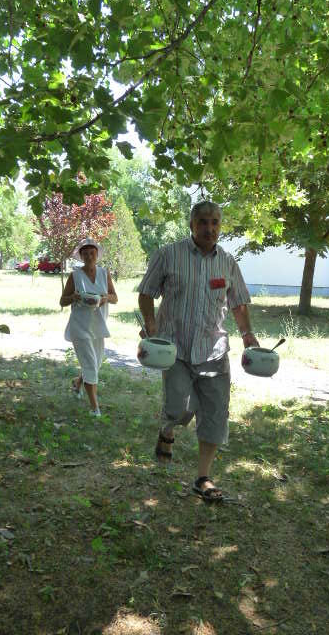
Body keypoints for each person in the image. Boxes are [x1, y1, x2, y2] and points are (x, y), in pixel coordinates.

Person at [138, 200, 259, 502]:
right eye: (203, 222)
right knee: (179, 407)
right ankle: (168, 429)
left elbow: (238, 303)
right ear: (191, 224)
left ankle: (203, 477)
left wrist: (247, 334)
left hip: (213, 349)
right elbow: (146, 293)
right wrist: (151, 324)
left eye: (215, 222)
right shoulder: (168, 254)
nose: (209, 228)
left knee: (216, 413)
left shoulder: (227, 262)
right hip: (175, 348)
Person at [60, 238, 118, 417]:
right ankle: (95, 409)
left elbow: (115, 297)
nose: (89, 256)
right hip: (80, 326)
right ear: (81, 256)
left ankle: (77, 384)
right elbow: (62, 301)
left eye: (92, 252)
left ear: (97, 254)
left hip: (98, 326)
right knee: (91, 366)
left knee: (95, 364)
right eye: (85, 253)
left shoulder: (104, 273)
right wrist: (74, 297)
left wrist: (106, 298)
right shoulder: (75, 276)